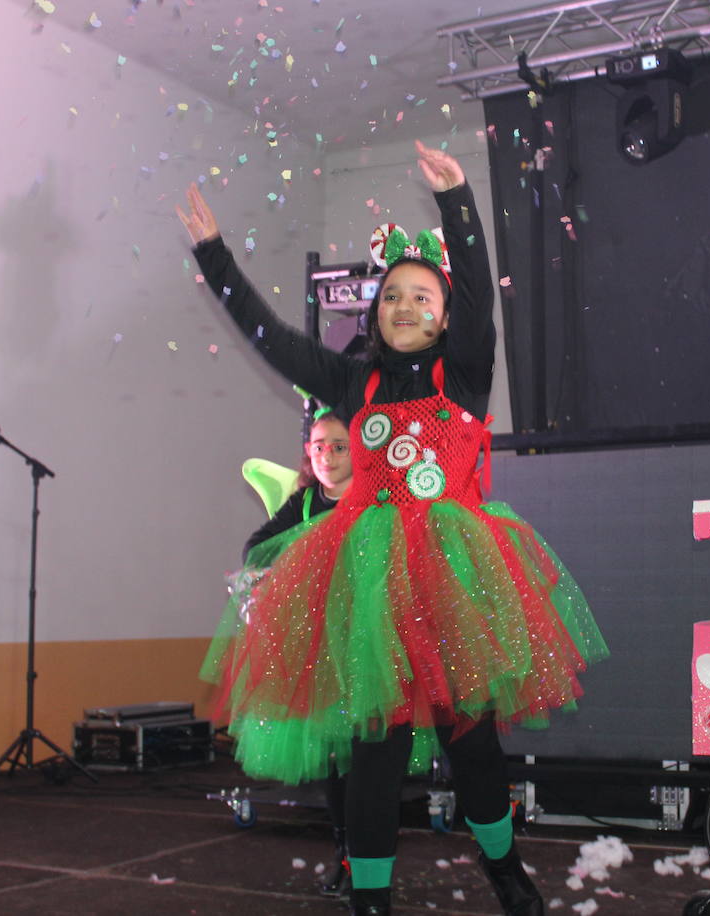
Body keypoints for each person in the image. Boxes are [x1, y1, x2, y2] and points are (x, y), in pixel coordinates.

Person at [179, 141, 607, 916]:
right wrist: (215, 258)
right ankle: (370, 902)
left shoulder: (463, 370)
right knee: (373, 751)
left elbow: (480, 299)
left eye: (421, 298)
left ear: (444, 315)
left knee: (472, 744)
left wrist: (459, 206)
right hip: (373, 588)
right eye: (390, 298)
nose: (403, 308)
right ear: (374, 313)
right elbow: (270, 338)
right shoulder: (353, 380)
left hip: (452, 581)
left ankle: (505, 869)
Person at [242, 410, 354, 898]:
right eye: (317, 445)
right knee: (335, 759)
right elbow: (257, 548)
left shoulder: (375, 499)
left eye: (338, 445)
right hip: (324, 646)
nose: (326, 455)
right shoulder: (305, 502)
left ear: (359, 449)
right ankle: (347, 856)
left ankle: (372, 858)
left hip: (371, 643)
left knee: (371, 760)